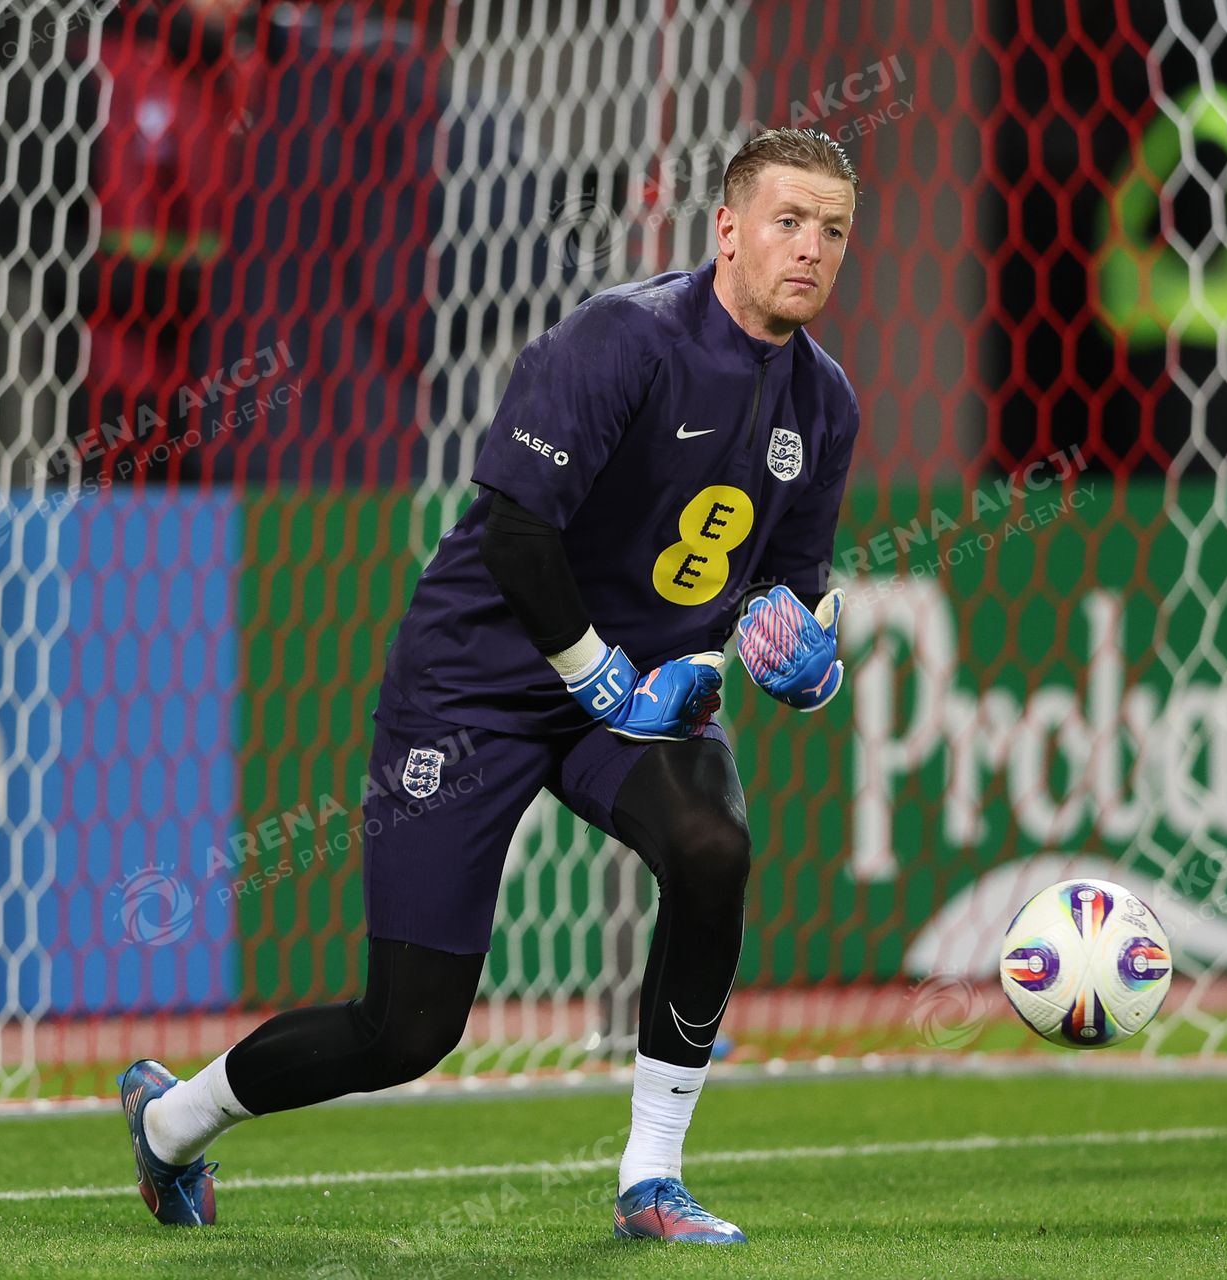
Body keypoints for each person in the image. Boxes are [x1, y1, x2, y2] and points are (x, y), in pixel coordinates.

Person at [116, 127, 863, 1244]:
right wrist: (603, 682)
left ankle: (652, 1177)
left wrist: (807, 666)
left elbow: (785, 594)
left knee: (713, 847)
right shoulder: (622, 339)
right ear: (727, 228)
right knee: (406, 1029)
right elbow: (517, 533)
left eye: (832, 231)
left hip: (636, 693)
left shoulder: (826, 404)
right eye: (787, 221)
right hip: (476, 684)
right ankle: (172, 1120)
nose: (809, 248)